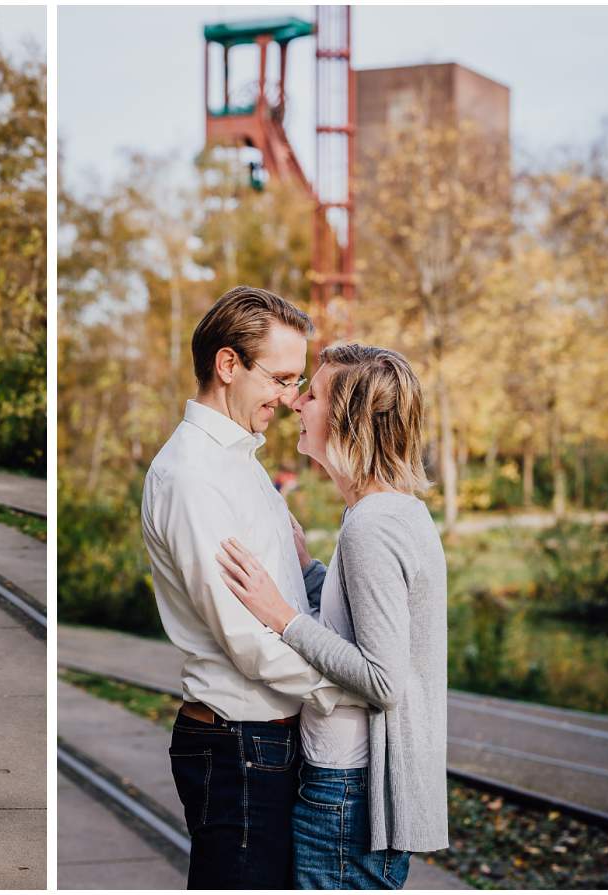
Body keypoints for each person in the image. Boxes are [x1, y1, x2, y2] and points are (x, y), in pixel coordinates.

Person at [141, 286, 359, 889]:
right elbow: (246, 639)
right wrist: (347, 695)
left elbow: (281, 599)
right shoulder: (192, 476)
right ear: (228, 364)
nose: (292, 400)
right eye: (282, 379)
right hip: (238, 749)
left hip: (263, 746)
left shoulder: (241, 463)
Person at [217, 343, 449, 888]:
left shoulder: (374, 525)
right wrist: (312, 571)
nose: (296, 403)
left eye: (314, 395)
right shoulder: (389, 511)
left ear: (350, 420)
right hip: (352, 785)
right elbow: (370, 623)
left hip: (349, 792)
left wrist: (282, 616)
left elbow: (383, 679)